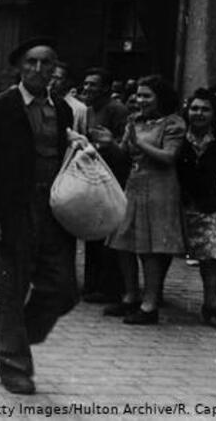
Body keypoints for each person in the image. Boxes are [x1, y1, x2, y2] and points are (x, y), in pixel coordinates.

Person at [0, 38, 78, 395]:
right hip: (13, 211)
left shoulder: (62, 109)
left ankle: (16, 335)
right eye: (31, 62)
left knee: (63, 287)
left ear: (55, 69)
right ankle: (13, 364)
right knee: (11, 290)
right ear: (19, 66)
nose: (38, 70)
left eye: (46, 64)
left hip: (54, 210)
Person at [103, 75, 185, 325]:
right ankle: (130, 296)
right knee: (124, 242)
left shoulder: (174, 124)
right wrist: (109, 144)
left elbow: (169, 157)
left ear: (160, 98)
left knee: (149, 249)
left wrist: (139, 142)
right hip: (135, 184)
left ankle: (150, 305)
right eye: (138, 95)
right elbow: (125, 153)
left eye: (146, 95)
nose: (140, 100)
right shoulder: (134, 120)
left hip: (160, 188)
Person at [177, 89, 216, 323]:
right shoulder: (178, 136)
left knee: (212, 253)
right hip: (179, 202)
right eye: (194, 108)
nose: (199, 113)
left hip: (210, 203)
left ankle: (210, 301)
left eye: (205, 109)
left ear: (214, 113)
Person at [78, 67, 130, 304]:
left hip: (113, 177)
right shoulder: (87, 110)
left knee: (108, 234)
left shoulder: (117, 110)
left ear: (107, 88)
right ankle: (91, 283)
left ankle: (109, 287)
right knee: (93, 231)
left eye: (93, 85)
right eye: (86, 84)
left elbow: (124, 146)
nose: (87, 88)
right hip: (93, 176)